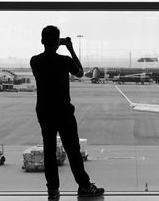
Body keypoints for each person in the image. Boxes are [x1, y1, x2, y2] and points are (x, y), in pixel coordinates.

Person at [30, 25, 104, 200]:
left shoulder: (35, 61)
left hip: (44, 112)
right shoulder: (64, 61)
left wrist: (54, 46)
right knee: (73, 151)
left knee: (49, 152)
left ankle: (53, 190)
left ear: (42, 41)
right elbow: (80, 72)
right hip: (63, 112)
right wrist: (70, 48)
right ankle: (84, 186)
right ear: (58, 42)